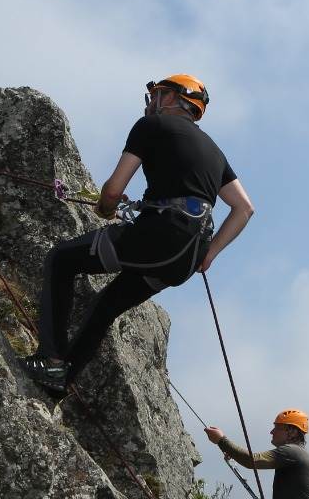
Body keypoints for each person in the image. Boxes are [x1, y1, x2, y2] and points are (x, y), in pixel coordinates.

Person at [19, 74, 254, 392]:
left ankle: (51, 360)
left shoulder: (151, 126)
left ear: (174, 99)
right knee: (106, 306)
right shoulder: (215, 152)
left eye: (158, 94)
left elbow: (113, 190)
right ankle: (61, 381)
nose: (152, 101)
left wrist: (105, 207)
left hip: (160, 234)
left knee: (62, 259)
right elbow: (244, 208)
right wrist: (209, 255)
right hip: (187, 256)